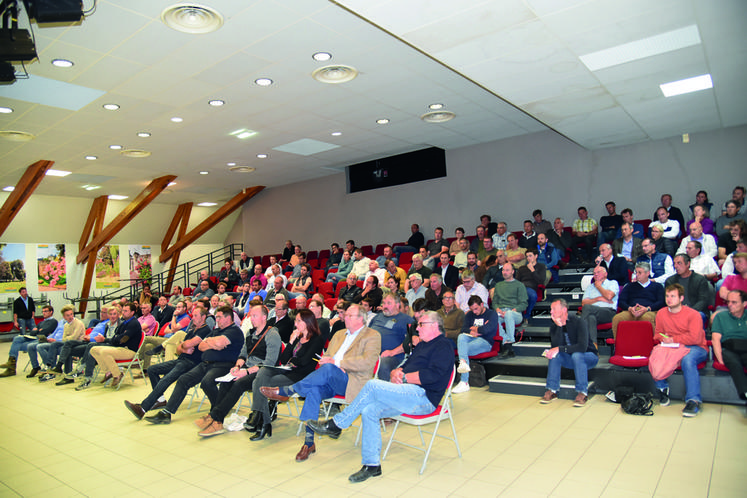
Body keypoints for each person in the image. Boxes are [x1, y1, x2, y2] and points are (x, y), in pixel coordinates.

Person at [306, 310, 453, 483]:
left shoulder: (444, 345)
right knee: (369, 410)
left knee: (372, 384)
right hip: (406, 393)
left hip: (424, 398)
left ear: (435, 326)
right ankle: (372, 465)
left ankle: (337, 424)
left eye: (421, 325)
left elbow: (434, 375)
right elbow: (407, 365)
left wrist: (404, 377)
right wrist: (396, 372)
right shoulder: (422, 344)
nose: (417, 329)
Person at [260, 304, 380, 463]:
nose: (344, 317)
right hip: (331, 378)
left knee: (330, 367)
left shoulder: (372, 335)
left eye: (349, 315)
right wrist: (331, 363)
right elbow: (326, 359)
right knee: (313, 390)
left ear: (361, 318)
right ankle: (308, 443)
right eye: (345, 314)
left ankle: (288, 391)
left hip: (352, 381)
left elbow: (367, 362)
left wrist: (338, 363)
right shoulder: (338, 334)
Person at [144, 305, 244, 424]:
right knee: (183, 380)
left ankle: (219, 409)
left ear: (228, 318)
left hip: (223, 365)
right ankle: (167, 413)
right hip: (205, 364)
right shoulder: (216, 331)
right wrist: (213, 343)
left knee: (207, 383)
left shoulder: (235, 331)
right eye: (216, 317)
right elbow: (201, 346)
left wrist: (211, 342)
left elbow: (217, 342)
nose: (216, 320)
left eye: (219, 317)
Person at [196, 304, 282, 437]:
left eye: (255, 316)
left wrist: (246, 372)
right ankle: (217, 419)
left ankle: (215, 417)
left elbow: (270, 363)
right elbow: (243, 354)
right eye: (250, 316)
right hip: (247, 368)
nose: (251, 319)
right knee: (226, 382)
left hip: (264, 372)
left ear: (264, 317)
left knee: (239, 383)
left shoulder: (272, 334)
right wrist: (237, 367)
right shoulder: (250, 333)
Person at [247, 308, 325, 440]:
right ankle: (264, 422)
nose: (295, 324)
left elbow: (305, 362)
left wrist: (292, 360)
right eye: (296, 321)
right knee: (263, 371)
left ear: (307, 322)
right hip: (288, 369)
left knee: (260, 383)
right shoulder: (297, 337)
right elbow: (284, 359)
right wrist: (290, 341)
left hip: (300, 376)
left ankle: (264, 422)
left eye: (299, 321)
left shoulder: (316, 339)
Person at [124, 306, 212, 420]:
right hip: (181, 360)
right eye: (193, 315)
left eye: (196, 316)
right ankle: (160, 400)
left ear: (203, 317)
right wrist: (183, 348)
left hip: (191, 363)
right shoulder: (192, 330)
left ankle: (143, 408)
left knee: (167, 378)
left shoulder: (206, 330)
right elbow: (178, 349)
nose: (193, 318)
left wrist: (183, 345)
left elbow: (187, 344)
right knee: (152, 369)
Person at [652, 284, 707, 417]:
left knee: (688, 360)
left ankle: (693, 400)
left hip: (696, 347)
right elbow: (657, 335)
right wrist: (664, 339)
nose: (669, 299)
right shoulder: (661, 313)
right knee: (655, 354)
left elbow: (695, 338)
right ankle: (662, 388)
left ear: (681, 298)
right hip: (672, 346)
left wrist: (673, 339)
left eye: (673, 296)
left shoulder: (693, 314)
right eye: (667, 296)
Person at [540, 298, 598, 407]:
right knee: (554, 355)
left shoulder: (579, 322)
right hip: (571, 359)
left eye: (553, 309)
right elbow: (556, 347)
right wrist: (559, 328)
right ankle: (552, 390)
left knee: (577, 355)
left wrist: (560, 349)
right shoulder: (554, 327)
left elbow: (582, 347)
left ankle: (582, 392)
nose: (551, 312)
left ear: (564, 310)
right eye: (550, 309)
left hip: (589, 356)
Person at [74, 302, 143, 390]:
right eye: (123, 310)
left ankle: (117, 374)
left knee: (104, 352)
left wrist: (115, 339)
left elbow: (122, 340)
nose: (123, 312)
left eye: (126, 311)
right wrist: (117, 338)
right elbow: (116, 337)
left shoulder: (134, 323)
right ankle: (109, 372)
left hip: (129, 350)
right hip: (120, 348)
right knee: (93, 349)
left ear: (132, 312)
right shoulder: (124, 323)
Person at [452, 295, 498, 393]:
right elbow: (463, 329)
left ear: (482, 304)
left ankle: (464, 380)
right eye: (472, 309)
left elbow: (488, 330)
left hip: (485, 342)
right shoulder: (469, 314)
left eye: (476, 309)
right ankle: (464, 381)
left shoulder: (491, 314)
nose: (474, 312)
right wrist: (478, 330)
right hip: (471, 339)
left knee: (462, 349)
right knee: (461, 337)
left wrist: (474, 328)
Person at [711, 290, 747, 411]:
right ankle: (745, 393)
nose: (730, 304)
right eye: (728, 302)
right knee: (734, 362)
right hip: (728, 348)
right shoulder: (720, 316)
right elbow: (715, 340)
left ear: (745, 304)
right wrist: (720, 360)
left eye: (734, 302)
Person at [0, 304, 57, 378]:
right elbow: (32, 332)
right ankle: (11, 362)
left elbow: (44, 332)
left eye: (46, 311)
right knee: (17, 338)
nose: (43, 313)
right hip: (34, 337)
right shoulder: (41, 322)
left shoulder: (53, 321)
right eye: (43, 311)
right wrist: (38, 330)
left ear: (51, 312)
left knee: (24, 346)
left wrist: (37, 330)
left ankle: (30, 367)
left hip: (43, 339)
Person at [611, 262, 664, 337]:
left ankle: (652, 345)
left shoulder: (657, 286)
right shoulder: (629, 286)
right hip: (631, 310)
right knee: (617, 318)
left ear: (647, 273)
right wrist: (630, 308)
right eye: (636, 272)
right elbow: (621, 302)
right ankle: (618, 345)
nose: (637, 275)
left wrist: (647, 309)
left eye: (640, 273)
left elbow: (661, 302)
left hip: (649, 310)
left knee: (646, 319)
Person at [369, 293, 414, 380]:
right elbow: (367, 332)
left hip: (392, 356)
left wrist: (392, 352)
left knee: (384, 363)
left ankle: (383, 390)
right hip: (370, 352)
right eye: (384, 303)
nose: (385, 306)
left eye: (389, 303)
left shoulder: (407, 320)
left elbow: (412, 341)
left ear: (397, 305)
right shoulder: (378, 316)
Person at [490, 263, 528, 358]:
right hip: (501, 311)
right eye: (503, 270)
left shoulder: (519, 285)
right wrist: (498, 309)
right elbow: (494, 303)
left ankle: (510, 342)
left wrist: (513, 310)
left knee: (509, 314)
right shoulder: (498, 285)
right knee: (493, 317)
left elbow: (524, 303)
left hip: (515, 313)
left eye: (507, 270)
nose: (505, 272)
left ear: (512, 272)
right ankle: (506, 341)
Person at [666, 254, 714, 326]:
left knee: (696, 317)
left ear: (688, 264)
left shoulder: (700, 280)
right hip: (676, 311)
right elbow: (668, 300)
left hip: (696, 311)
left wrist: (688, 312)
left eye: (679, 263)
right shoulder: (670, 281)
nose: (676, 266)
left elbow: (703, 301)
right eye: (674, 264)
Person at [580, 266, 619, 344]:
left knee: (588, 308)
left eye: (598, 272)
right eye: (594, 273)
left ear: (605, 274)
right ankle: (593, 347)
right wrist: (598, 299)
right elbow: (583, 303)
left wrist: (598, 286)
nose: (596, 275)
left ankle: (579, 339)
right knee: (591, 318)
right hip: (592, 312)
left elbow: (609, 296)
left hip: (608, 312)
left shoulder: (612, 283)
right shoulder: (590, 287)